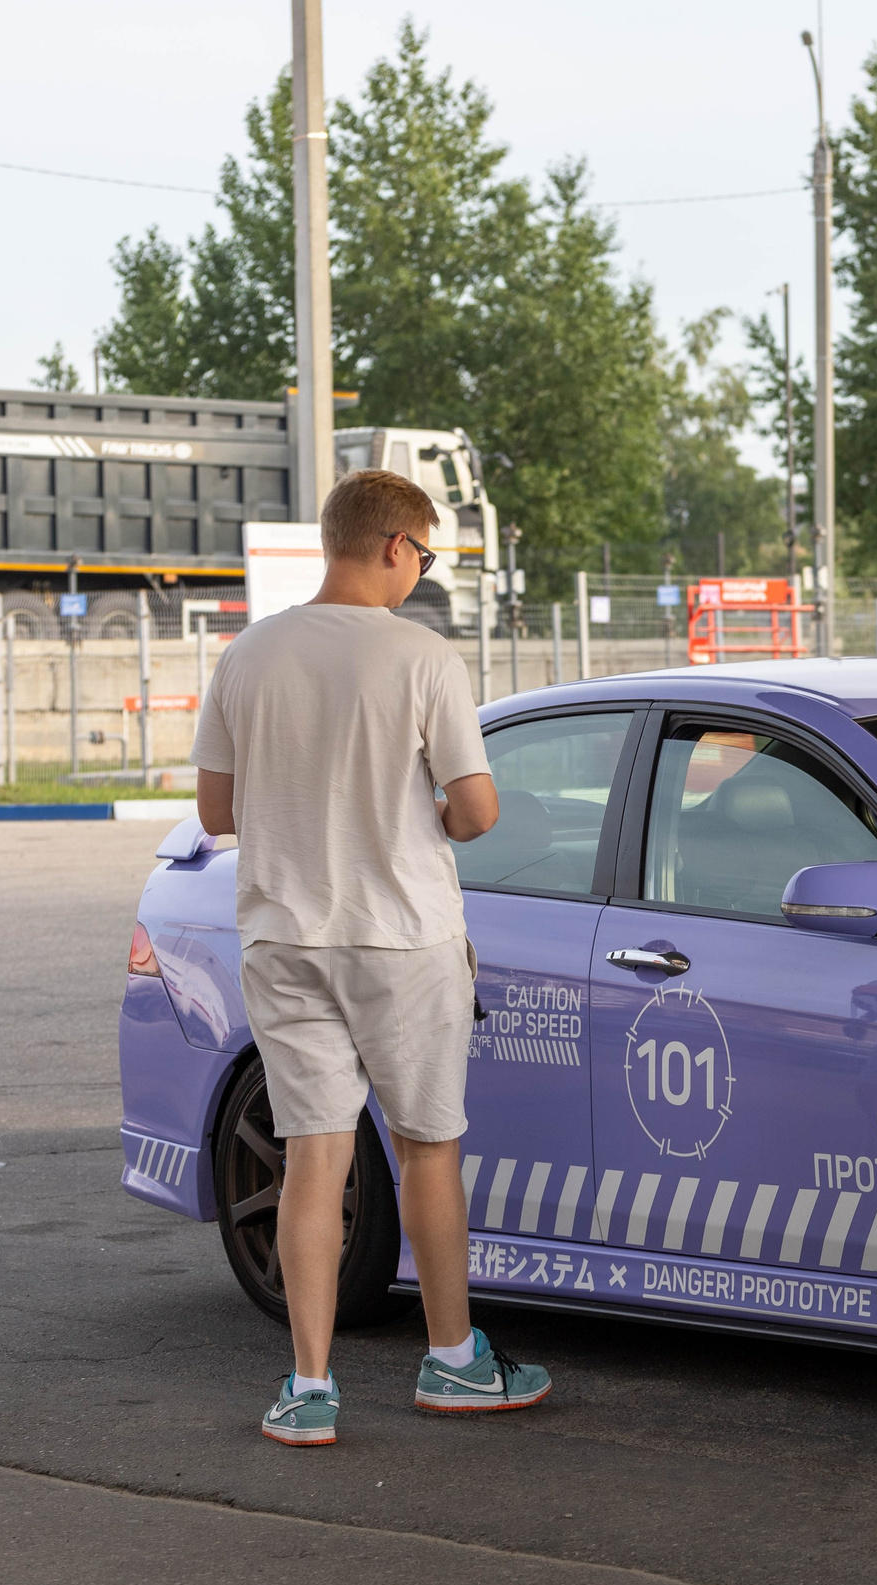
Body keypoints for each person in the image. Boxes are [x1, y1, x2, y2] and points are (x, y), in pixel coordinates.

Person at [192, 468, 551, 1448]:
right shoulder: (423, 657)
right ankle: (451, 1364)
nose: (421, 573)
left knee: (316, 1152)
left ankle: (308, 1389)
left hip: (285, 938)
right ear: (395, 544)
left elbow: (216, 814)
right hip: (404, 940)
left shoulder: (248, 656)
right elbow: (475, 811)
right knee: (429, 1150)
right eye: (424, 555)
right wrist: (423, 812)